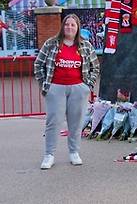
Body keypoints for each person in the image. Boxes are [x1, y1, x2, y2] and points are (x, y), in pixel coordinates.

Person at [33, 14, 100, 170]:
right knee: (53, 122)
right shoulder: (51, 44)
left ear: (78, 28)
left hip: (78, 88)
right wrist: (45, 85)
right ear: (62, 26)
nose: (69, 27)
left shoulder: (85, 45)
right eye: (67, 24)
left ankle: (74, 152)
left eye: (73, 25)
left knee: (76, 123)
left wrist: (87, 86)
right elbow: (38, 65)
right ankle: (49, 155)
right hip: (55, 88)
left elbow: (95, 67)